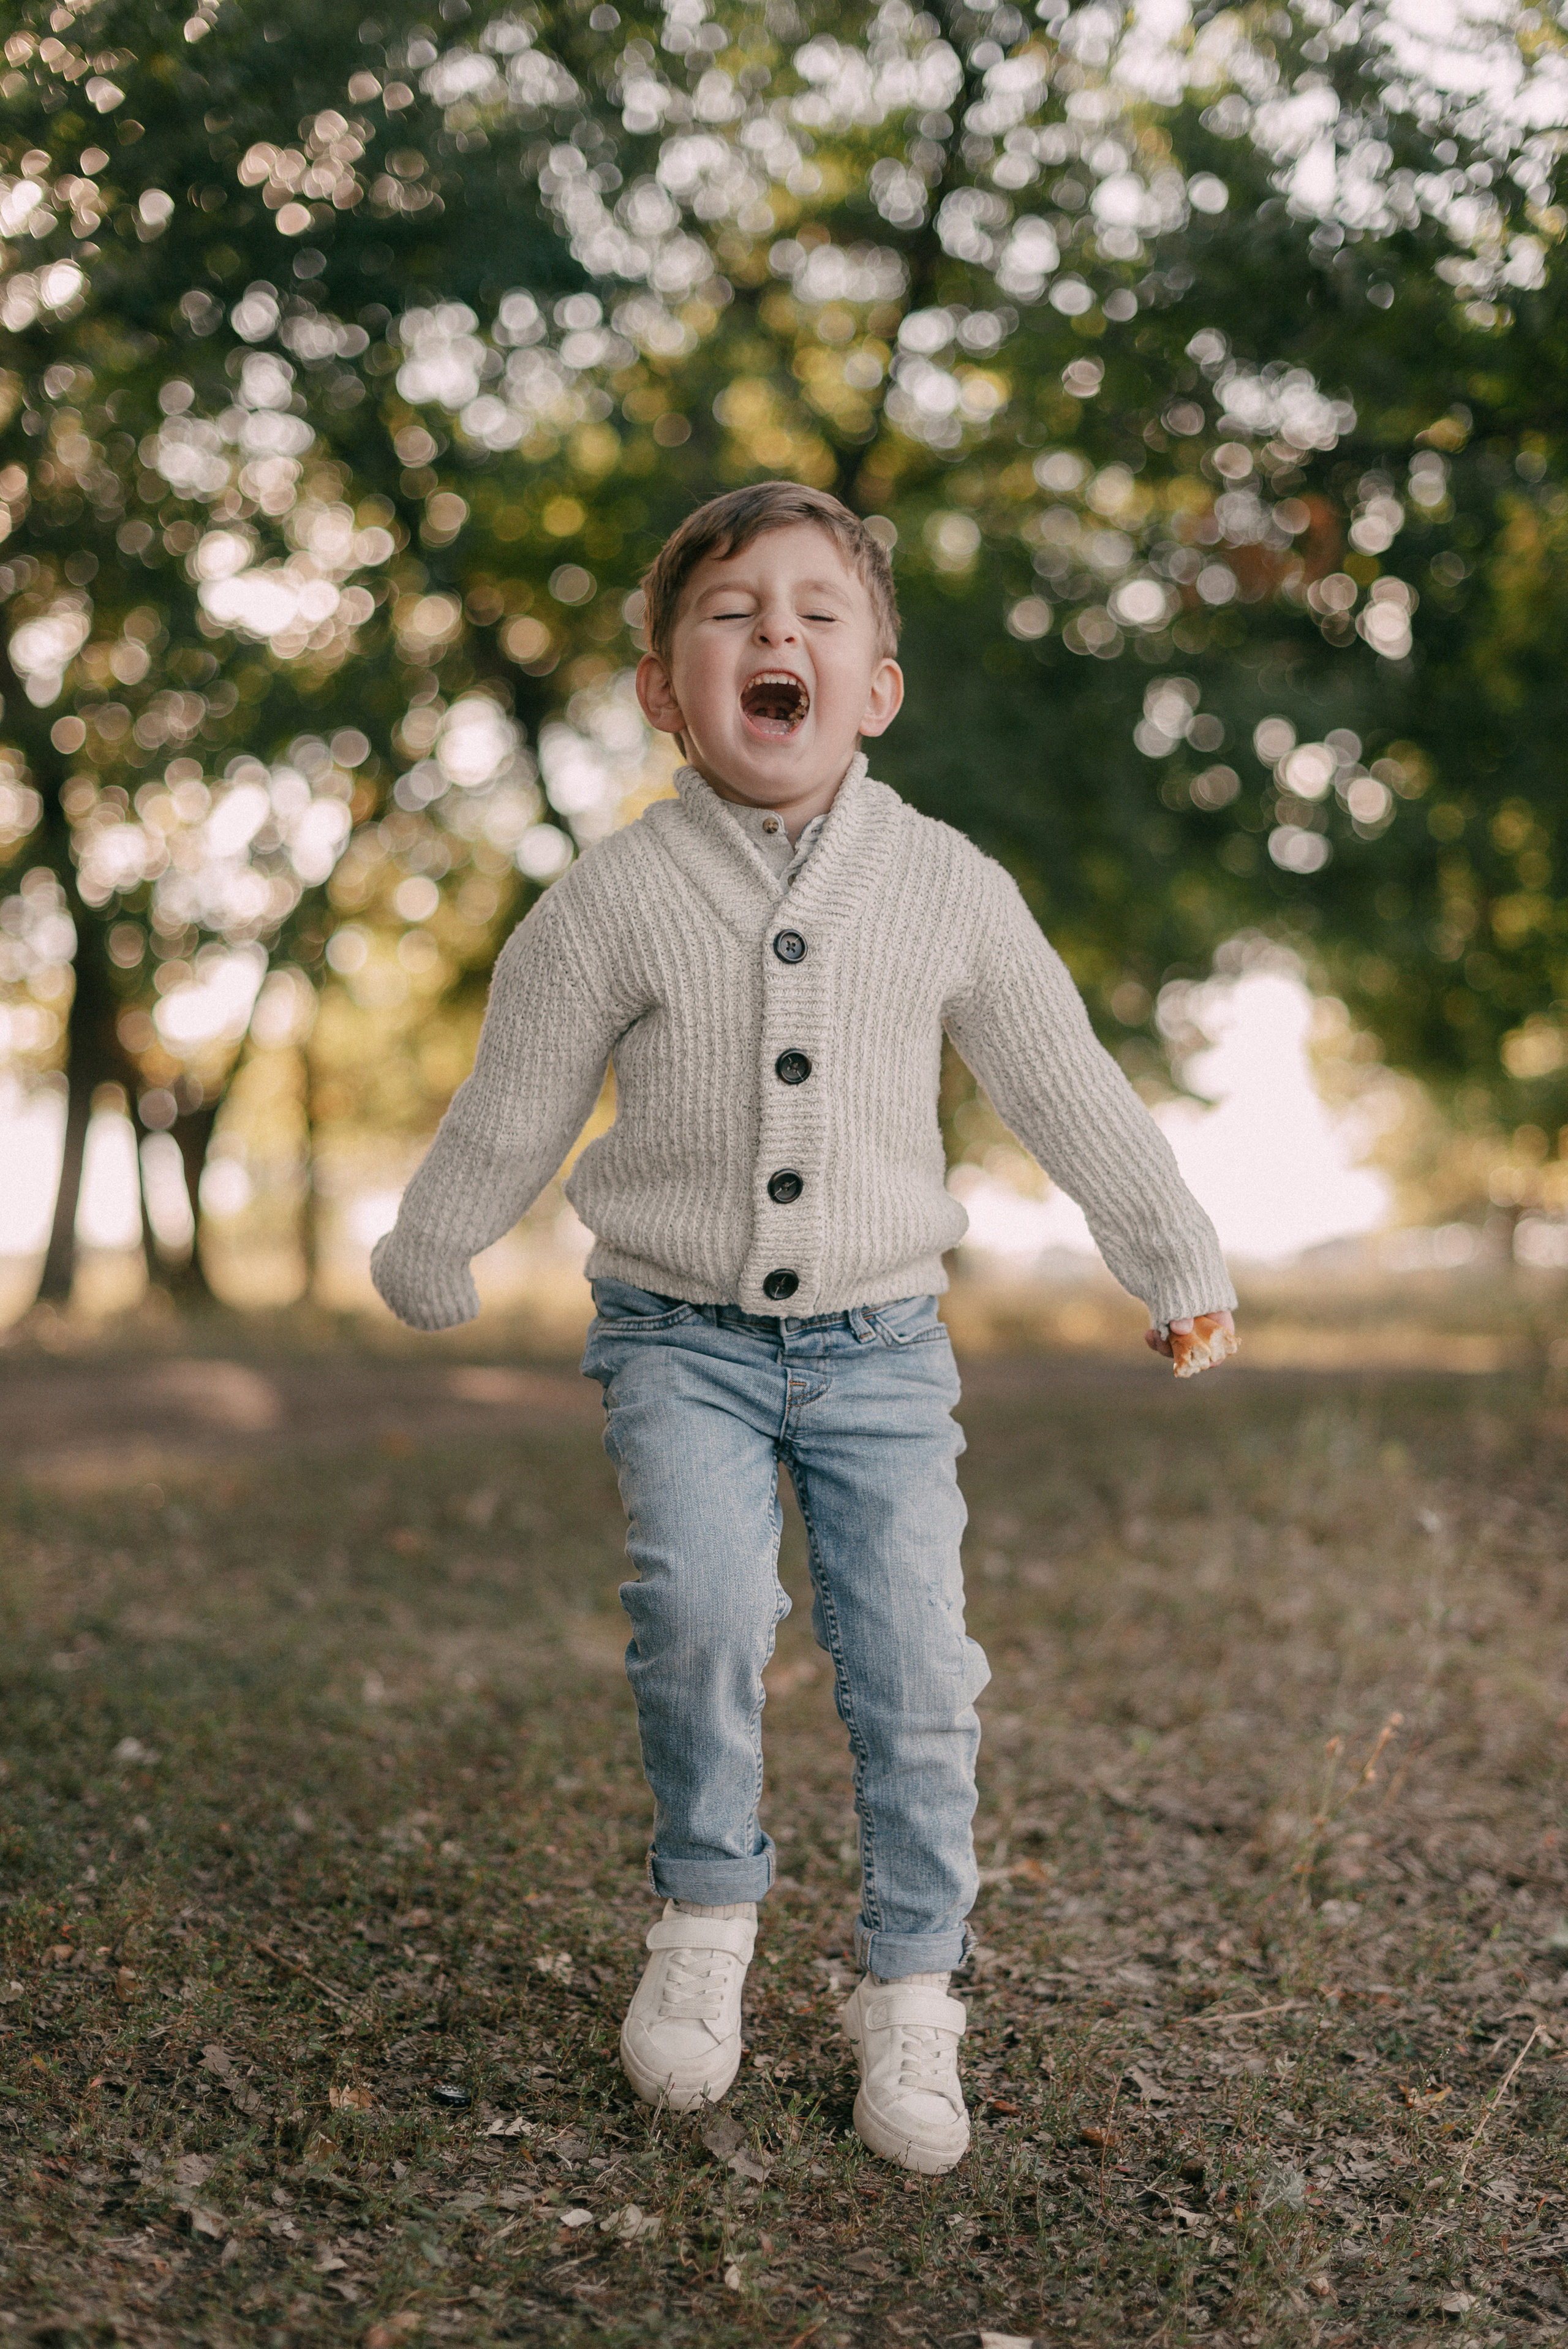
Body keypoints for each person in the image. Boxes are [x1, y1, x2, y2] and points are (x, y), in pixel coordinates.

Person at [370, 480, 1237, 2174]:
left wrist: (1173, 1250)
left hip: (883, 1349)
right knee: (698, 1603)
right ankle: (707, 1916)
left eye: (820, 614)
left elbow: (1065, 1082)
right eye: (732, 612)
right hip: (675, 1336)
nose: (779, 633)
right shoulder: (612, 896)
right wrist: (439, 1233)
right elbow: (517, 1092)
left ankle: (912, 1989)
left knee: (916, 1664)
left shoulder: (946, 885)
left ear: (879, 688)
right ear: (661, 690)